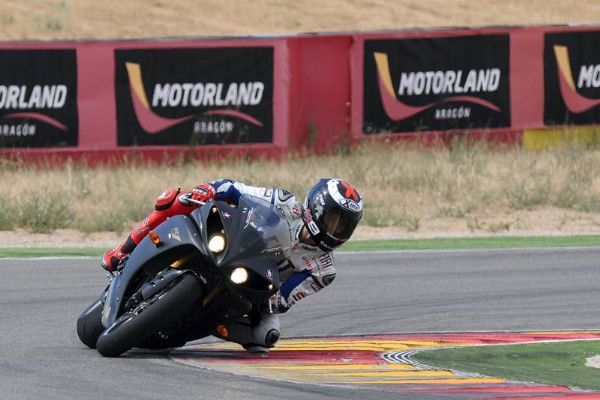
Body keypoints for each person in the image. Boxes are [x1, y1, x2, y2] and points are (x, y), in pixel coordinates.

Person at [101, 178, 363, 353]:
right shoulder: (283, 202)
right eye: (334, 220)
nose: (337, 229)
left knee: (266, 336)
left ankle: (206, 323)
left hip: (256, 285)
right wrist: (212, 189)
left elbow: (285, 299)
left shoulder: (324, 270)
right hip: (232, 247)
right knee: (178, 200)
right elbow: (236, 190)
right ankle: (123, 250)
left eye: (345, 225)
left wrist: (269, 298)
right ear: (315, 209)